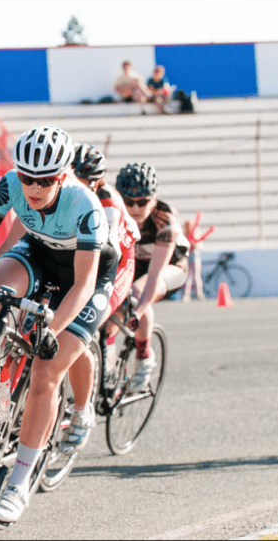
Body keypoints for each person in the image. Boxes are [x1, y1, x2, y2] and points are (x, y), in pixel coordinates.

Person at [0, 126, 117, 525]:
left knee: (45, 371)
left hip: (84, 279)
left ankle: (19, 481)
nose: (33, 188)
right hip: (39, 252)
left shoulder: (85, 204)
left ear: (63, 175)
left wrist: (51, 332)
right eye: (27, 178)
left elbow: (84, 283)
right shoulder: (10, 185)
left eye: (44, 181)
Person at [67, 144, 139, 437]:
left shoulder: (107, 203)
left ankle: (99, 371)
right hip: (86, 256)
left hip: (118, 263)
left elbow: (101, 257)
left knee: (83, 321)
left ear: (95, 182)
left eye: (79, 181)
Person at [115, 163, 188, 392]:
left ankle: (144, 356)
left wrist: (137, 311)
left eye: (143, 202)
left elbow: (154, 275)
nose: (135, 208)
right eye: (129, 202)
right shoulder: (113, 213)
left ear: (154, 200)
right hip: (135, 264)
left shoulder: (165, 221)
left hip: (169, 267)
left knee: (137, 293)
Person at [181, 212, 214, 302]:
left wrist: (195, 245)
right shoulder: (185, 235)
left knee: (195, 276)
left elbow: (200, 243)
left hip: (194, 256)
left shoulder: (194, 233)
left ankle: (198, 293)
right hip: (188, 256)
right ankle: (188, 294)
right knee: (190, 276)